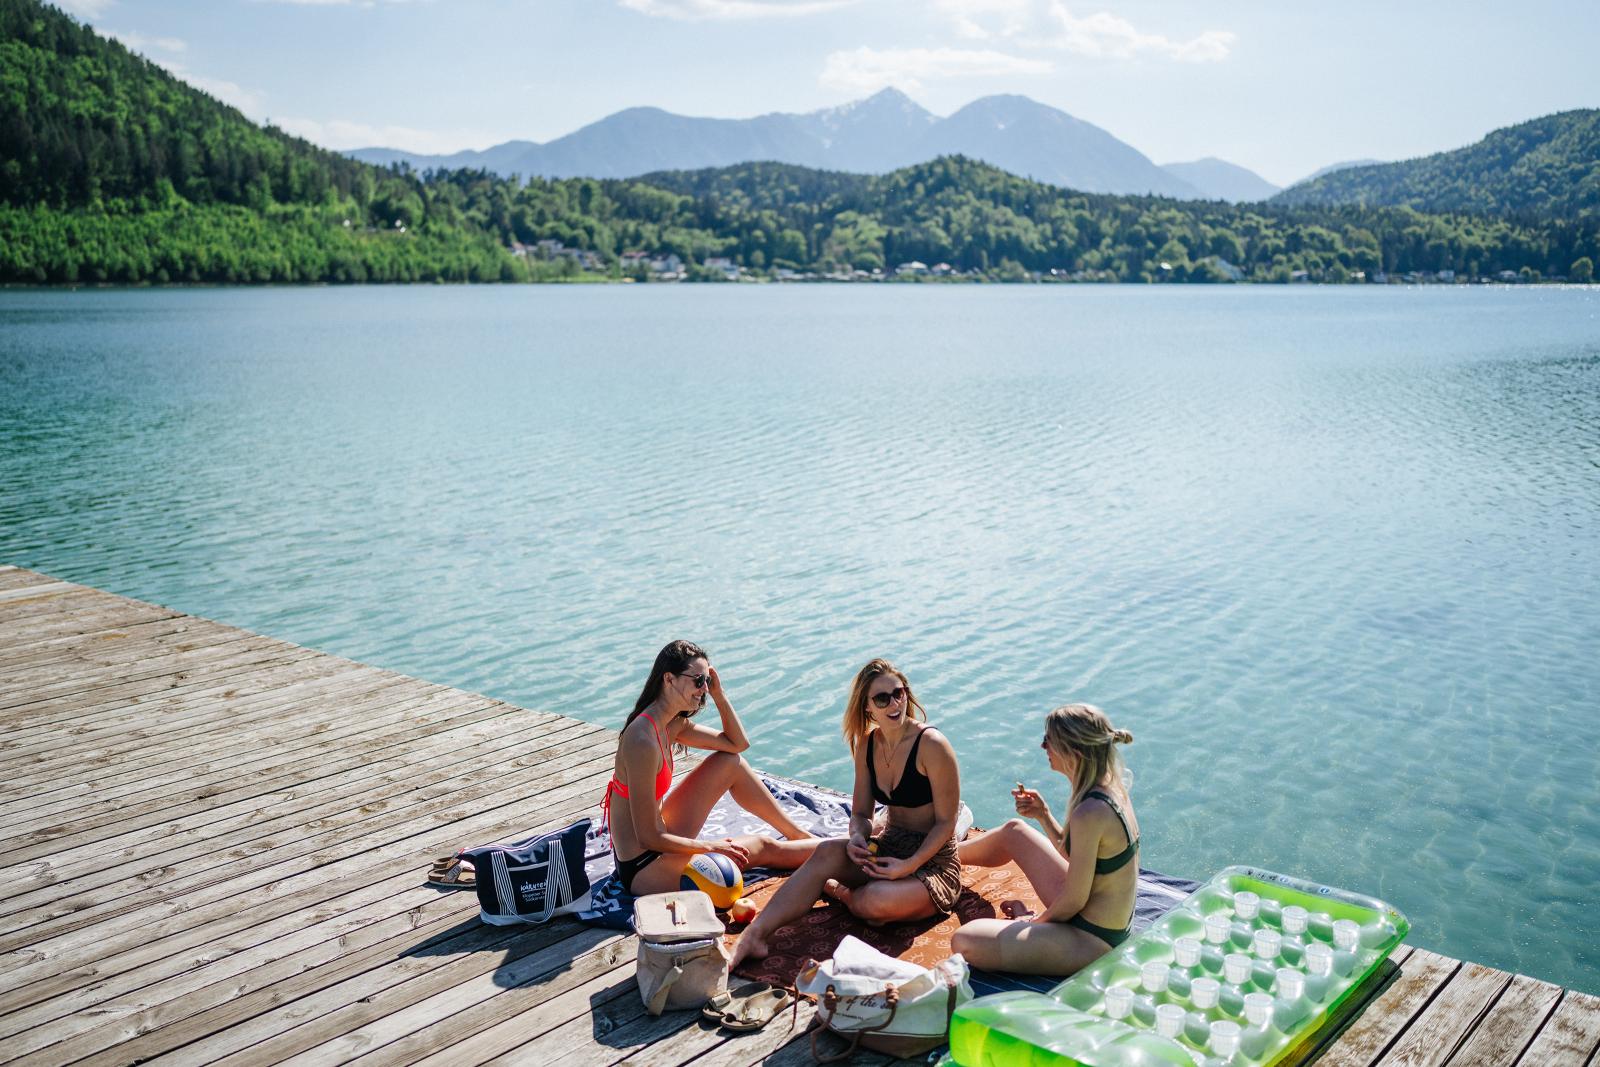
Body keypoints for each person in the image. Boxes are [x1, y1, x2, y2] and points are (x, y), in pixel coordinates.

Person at [729, 658, 962, 969]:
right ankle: (754, 936)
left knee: (872, 901)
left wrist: (909, 865)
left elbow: (947, 823)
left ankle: (839, 891)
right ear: (867, 708)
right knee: (826, 851)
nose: (894, 703)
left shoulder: (932, 744)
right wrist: (857, 836)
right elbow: (862, 813)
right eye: (882, 698)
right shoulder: (867, 744)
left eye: (899, 693)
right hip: (889, 846)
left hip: (931, 862)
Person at [603, 640, 817, 896]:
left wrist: (719, 695)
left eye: (707, 681)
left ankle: (798, 835)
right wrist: (709, 847)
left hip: (662, 839)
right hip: (644, 867)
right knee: (762, 847)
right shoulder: (641, 740)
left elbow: (737, 744)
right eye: (698, 681)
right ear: (669, 679)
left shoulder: (671, 725)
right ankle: (840, 850)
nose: (703, 688)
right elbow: (647, 837)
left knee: (729, 762)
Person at [951, 703, 1139, 976]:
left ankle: (1040, 931)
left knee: (965, 940)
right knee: (1014, 831)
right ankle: (944, 857)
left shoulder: (1091, 810)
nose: (1043, 747)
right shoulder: (1106, 788)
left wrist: (1033, 925)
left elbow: (1074, 899)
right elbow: (1080, 857)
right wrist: (1043, 815)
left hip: (1094, 939)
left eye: (1047, 741)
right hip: (1087, 911)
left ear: (1072, 753)